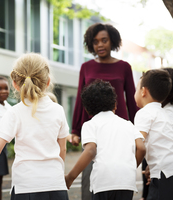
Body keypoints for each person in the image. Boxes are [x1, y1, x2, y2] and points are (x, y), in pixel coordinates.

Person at [0, 53, 70, 200]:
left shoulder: (14, 112)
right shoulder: (58, 109)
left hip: (26, 186)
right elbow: (63, 148)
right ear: (47, 82)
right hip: (56, 185)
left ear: (14, 84)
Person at [71, 23, 138, 200]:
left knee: (117, 170)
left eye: (104, 40)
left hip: (119, 128)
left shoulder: (124, 67)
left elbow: (132, 100)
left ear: (113, 41)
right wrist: (76, 130)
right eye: (95, 42)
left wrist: (138, 128)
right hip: (94, 127)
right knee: (89, 174)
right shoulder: (86, 67)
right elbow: (80, 99)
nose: (100, 45)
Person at [65, 80, 145, 200]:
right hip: (126, 182)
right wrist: (132, 167)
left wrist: (70, 177)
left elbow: (90, 150)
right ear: (115, 105)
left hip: (103, 182)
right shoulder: (128, 124)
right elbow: (141, 148)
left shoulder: (90, 125)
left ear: (87, 109)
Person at [134, 69, 173, 200]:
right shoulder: (164, 113)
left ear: (143, 91)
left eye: (136, 89)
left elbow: (139, 146)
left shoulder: (144, 113)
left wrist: (130, 168)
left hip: (163, 174)